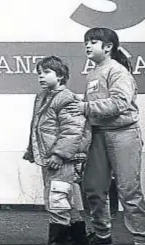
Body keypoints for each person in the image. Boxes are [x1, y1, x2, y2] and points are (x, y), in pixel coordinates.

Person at [68, 27, 145, 245]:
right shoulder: (93, 73)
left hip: (124, 134)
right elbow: (94, 109)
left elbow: (119, 103)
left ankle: (141, 238)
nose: (87, 45)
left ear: (108, 47)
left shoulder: (117, 71)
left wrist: (84, 107)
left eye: (93, 42)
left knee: (128, 190)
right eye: (86, 42)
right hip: (98, 135)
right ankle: (102, 235)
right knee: (94, 188)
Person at [23, 56, 91, 245]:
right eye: (39, 73)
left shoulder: (66, 98)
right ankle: (78, 237)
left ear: (60, 76)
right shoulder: (42, 96)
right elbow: (38, 126)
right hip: (48, 157)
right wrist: (32, 150)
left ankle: (58, 240)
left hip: (59, 159)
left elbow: (73, 129)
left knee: (57, 198)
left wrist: (58, 154)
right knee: (65, 197)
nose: (41, 77)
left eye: (46, 72)